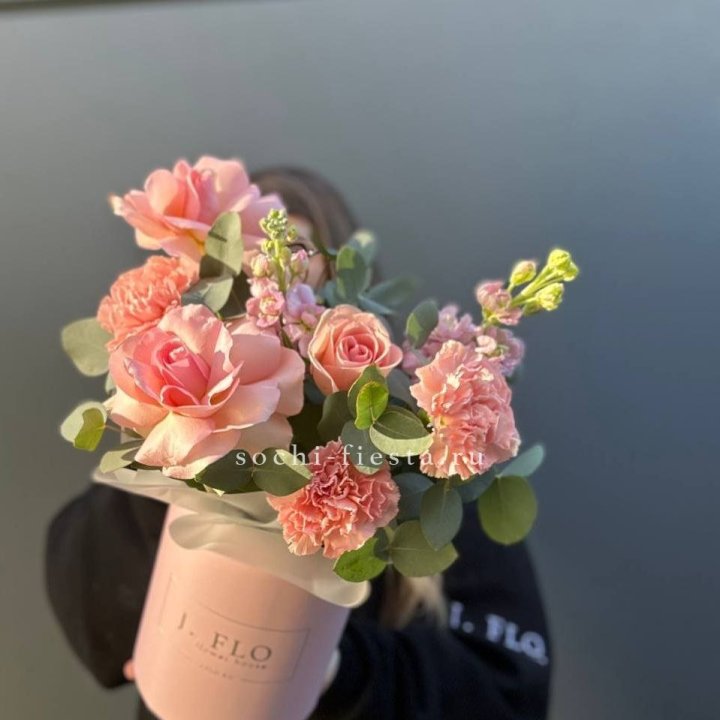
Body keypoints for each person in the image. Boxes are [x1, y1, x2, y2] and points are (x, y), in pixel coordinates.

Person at [45, 168, 552, 720]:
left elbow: (512, 698)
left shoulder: (437, 468)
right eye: (242, 264)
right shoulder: (171, 444)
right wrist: (186, 435)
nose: (266, 285)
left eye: (294, 260)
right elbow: (97, 633)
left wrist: (329, 665)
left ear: (352, 300)